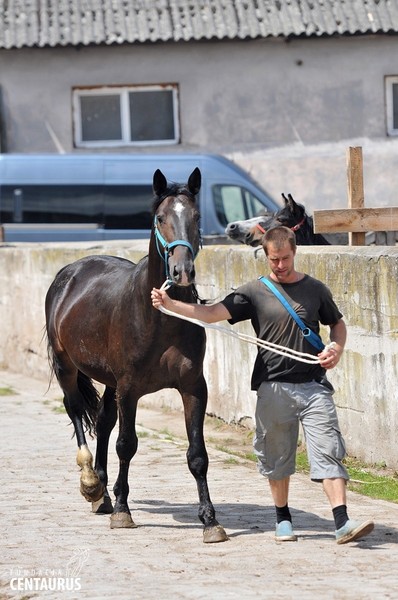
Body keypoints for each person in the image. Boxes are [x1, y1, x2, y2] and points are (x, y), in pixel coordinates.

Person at [151, 226, 374, 544]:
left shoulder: (315, 290)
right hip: (273, 388)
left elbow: (336, 324)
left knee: (329, 451)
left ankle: (342, 522)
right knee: (277, 458)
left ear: (294, 252)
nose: (280, 265)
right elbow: (212, 313)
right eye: (274, 259)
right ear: (267, 256)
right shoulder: (254, 291)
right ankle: (283, 518)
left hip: (314, 385)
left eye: (285, 258)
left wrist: (335, 348)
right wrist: (170, 304)